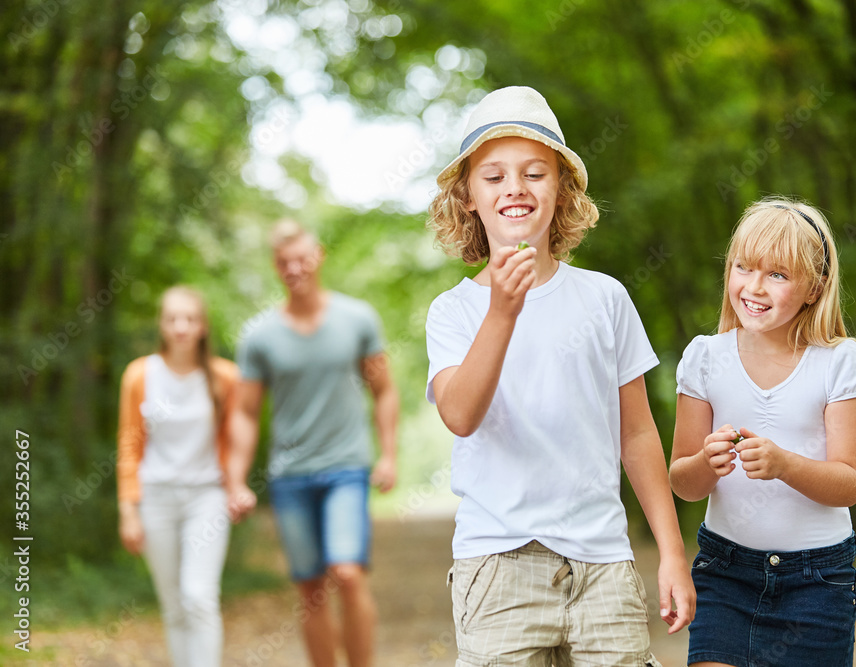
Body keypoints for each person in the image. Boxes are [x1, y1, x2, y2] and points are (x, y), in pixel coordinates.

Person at [424, 85, 694, 666]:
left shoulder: (605, 298)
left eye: (534, 173)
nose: (514, 188)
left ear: (562, 188)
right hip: (497, 568)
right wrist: (502, 311)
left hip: (603, 566)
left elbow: (638, 433)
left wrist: (671, 551)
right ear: (468, 196)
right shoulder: (454, 312)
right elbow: (460, 415)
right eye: (493, 176)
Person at [669, 198, 856, 667]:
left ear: (814, 288)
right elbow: (683, 482)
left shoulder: (839, 363)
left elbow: (851, 483)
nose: (753, 287)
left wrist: (785, 464)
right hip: (725, 574)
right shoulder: (704, 357)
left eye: (777, 275)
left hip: (817, 583)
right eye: (743, 267)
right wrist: (706, 462)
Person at [226, 219, 398, 667]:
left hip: (346, 467)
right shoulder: (258, 336)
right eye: (285, 262)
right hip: (290, 475)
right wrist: (235, 480)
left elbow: (385, 390)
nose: (295, 268)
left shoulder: (357, 319)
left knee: (347, 573)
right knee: (311, 589)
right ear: (275, 267)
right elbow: (244, 413)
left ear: (318, 255)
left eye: (302, 258)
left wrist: (389, 455)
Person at [117, 286, 240, 667]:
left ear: (202, 326)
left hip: (207, 497)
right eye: (172, 319)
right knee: (173, 606)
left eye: (189, 318)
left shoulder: (225, 377)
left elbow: (235, 441)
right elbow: (129, 445)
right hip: (156, 499)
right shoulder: (140, 374)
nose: (181, 326)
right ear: (162, 325)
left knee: (198, 596)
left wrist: (235, 486)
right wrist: (128, 511)